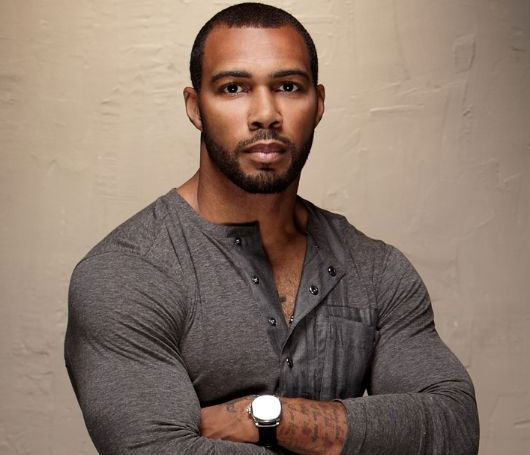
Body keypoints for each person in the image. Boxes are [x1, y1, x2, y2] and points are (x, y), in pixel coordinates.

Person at [65, 3, 480, 454]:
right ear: (195, 107)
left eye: (288, 87)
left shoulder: (377, 270)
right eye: (233, 88)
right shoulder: (128, 273)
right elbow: (155, 450)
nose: (265, 113)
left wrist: (265, 417)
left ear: (318, 103)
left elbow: (453, 428)